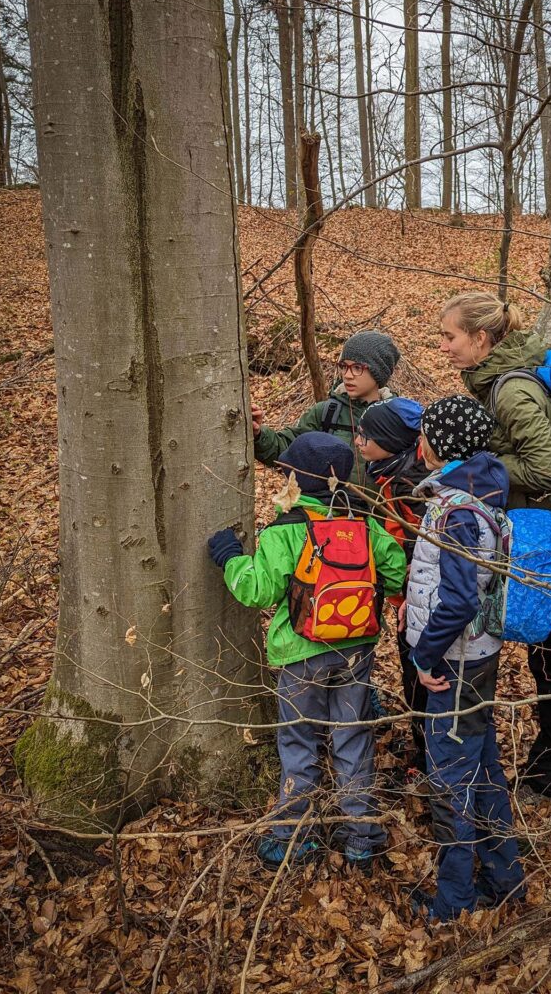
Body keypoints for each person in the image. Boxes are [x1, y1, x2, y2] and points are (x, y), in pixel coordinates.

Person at [208, 432, 407, 872]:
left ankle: (295, 835)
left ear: (296, 482)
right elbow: (395, 575)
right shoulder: (364, 524)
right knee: (352, 736)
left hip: (300, 654)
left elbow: (257, 590)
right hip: (357, 648)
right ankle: (361, 835)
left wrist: (228, 558)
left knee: (298, 740)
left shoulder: (286, 533)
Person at [439, 291, 551, 801]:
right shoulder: (493, 383)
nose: (444, 347)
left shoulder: (510, 392)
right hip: (540, 531)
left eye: (450, 337)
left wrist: (483, 472)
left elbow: (549, 469)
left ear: (481, 339)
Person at [406, 395, 525, 921]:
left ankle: (453, 899)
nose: (419, 442)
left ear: (439, 444)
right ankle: (506, 878)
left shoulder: (454, 512)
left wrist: (425, 657)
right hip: (480, 657)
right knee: (483, 768)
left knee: (452, 779)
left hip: (453, 664)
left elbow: (458, 599)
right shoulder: (485, 495)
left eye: (425, 433)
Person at [354, 397, 430, 775]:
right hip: (407, 600)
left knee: (422, 679)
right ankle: (424, 751)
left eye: (366, 436)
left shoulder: (409, 485)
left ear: (388, 439)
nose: (357, 442)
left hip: (419, 605)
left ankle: (430, 759)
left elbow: (415, 549)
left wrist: (406, 596)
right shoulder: (390, 472)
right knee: (414, 677)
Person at [251, 330, 400, 492]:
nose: (347, 375)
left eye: (357, 367)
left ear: (379, 371)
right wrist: (258, 435)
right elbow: (289, 452)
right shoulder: (327, 413)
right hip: (330, 514)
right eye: (344, 366)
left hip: (382, 515)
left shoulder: (398, 417)